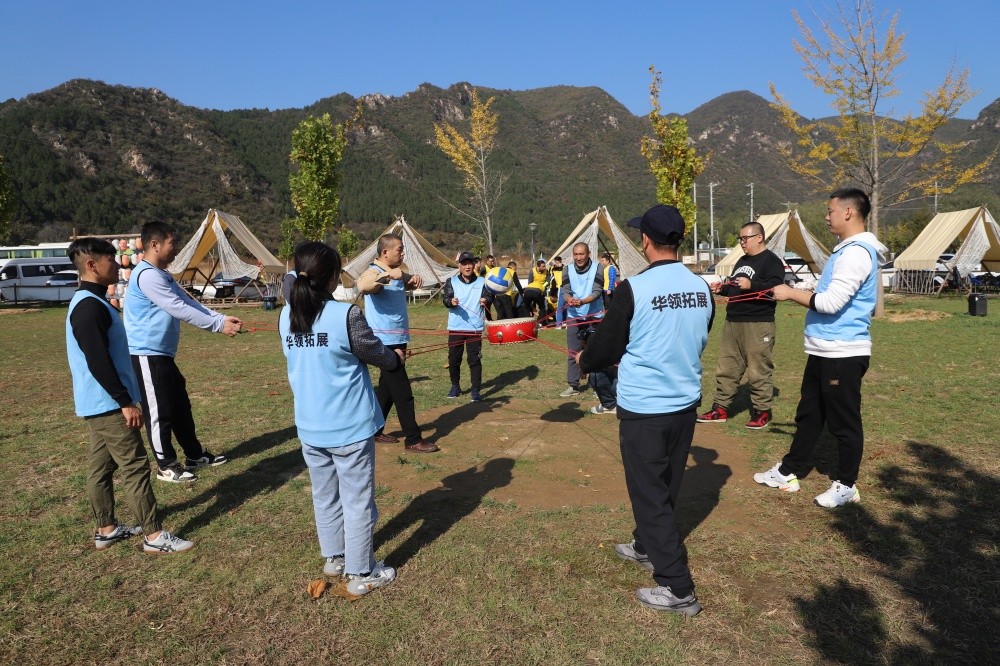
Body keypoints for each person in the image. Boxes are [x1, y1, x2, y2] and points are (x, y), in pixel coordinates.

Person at [578, 204, 713, 616]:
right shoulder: (702, 287)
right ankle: (644, 544)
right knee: (665, 482)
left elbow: (603, 349)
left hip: (646, 409)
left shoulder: (633, 289)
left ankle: (677, 586)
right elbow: (698, 333)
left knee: (649, 494)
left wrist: (586, 360)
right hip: (684, 405)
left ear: (646, 241)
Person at [280, 242, 399, 598]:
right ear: (332, 277)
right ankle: (361, 573)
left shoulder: (285, 316)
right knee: (357, 501)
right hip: (349, 428)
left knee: (325, 496)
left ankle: (335, 558)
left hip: (310, 427)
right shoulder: (346, 315)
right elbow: (376, 353)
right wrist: (394, 359)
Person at [754, 188, 886, 508]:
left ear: (848, 212)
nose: (826, 217)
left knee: (844, 423)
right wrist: (799, 289)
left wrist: (789, 293)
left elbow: (830, 303)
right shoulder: (845, 251)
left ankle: (846, 484)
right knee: (809, 415)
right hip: (824, 349)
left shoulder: (856, 253)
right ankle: (789, 471)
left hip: (843, 352)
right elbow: (828, 292)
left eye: (830, 211)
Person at [65, 237, 193, 554]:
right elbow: (98, 361)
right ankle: (154, 535)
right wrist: (124, 401)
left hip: (98, 404)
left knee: (100, 468)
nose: (116, 264)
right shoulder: (88, 307)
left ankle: (106, 529)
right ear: (92, 265)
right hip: (109, 404)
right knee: (135, 466)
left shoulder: (92, 302)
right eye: (110, 259)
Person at [124, 222, 242, 483]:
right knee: (160, 411)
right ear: (154, 245)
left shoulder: (161, 274)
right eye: (172, 242)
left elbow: (188, 302)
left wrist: (221, 319)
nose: (176, 248)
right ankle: (166, 465)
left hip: (162, 354)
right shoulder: (147, 275)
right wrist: (217, 326)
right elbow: (177, 307)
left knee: (180, 406)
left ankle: (194, 455)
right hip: (146, 354)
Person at [697, 221, 785, 429]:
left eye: (745, 238)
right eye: (740, 239)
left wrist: (751, 284)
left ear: (759, 237)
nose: (742, 242)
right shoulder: (742, 260)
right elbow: (736, 287)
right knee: (726, 368)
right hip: (733, 321)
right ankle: (720, 408)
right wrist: (723, 288)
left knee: (758, 369)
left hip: (758, 323)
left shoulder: (772, 261)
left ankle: (762, 411)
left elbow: (776, 289)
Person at [356, 234, 439, 453]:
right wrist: (388, 275)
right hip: (385, 342)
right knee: (402, 391)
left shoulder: (397, 271)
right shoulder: (373, 271)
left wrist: (410, 280)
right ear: (385, 252)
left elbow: (399, 283)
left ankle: (374, 430)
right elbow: (364, 285)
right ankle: (413, 439)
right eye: (399, 249)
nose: (403, 253)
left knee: (387, 387)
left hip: (399, 338)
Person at [442, 251, 494, 402]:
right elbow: (446, 299)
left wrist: (486, 299)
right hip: (456, 327)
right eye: (464, 264)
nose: (467, 266)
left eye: (470, 263)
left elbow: (490, 296)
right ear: (459, 266)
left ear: (474, 265)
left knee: (474, 360)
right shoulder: (451, 281)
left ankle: (475, 390)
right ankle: (455, 386)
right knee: (453, 359)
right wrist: (450, 302)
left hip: (474, 328)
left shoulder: (482, 281)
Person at [559, 243, 605, 398]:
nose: (579, 258)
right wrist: (569, 299)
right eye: (576, 254)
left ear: (588, 254)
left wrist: (584, 301)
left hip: (594, 315)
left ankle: (597, 385)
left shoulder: (598, 267)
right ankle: (573, 385)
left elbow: (597, 291)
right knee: (573, 351)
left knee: (595, 351)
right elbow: (565, 291)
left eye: (582, 254)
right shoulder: (567, 269)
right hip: (574, 315)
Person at [548, 256, 565, 327]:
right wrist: (551, 292)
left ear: (561, 261)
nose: (557, 263)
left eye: (558, 262)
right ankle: (560, 322)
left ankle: (560, 323)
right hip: (557, 288)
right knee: (560, 306)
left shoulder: (564, 268)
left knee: (562, 306)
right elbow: (552, 280)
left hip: (563, 287)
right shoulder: (552, 269)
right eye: (556, 262)